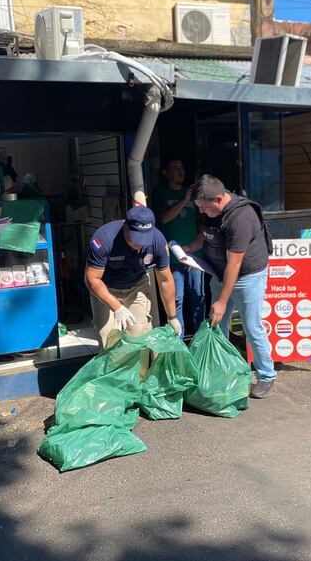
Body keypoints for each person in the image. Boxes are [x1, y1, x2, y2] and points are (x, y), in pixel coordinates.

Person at [185, 174, 276, 399]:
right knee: (217, 326)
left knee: (252, 327)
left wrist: (222, 302)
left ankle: (267, 376)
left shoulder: (240, 218)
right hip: (219, 273)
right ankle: (225, 371)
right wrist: (189, 249)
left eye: (205, 207)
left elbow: (234, 265)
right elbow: (204, 236)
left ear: (218, 199)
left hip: (247, 277)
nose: (202, 212)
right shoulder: (210, 211)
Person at [85, 206, 181, 349]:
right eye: (135, 238)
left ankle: (140, 371)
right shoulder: (104, 238)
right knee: (107, 340)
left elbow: (165, 280)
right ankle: (113, 371)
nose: (139, 244)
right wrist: (117, 307)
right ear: (125, 226)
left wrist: (172, 317)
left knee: (139, 338)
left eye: (144, 239)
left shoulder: (157, 241)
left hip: (137, 286)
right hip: (105, 288)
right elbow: (92, 279)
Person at [152, 160, 205, 337]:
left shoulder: (190, 193)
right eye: (175, 168)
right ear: (166, 173)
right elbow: (165, 219)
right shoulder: (161, 192)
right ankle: (179, 339)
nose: (180, 171)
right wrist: (184, 200)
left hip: (194, 256)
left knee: (198, 296)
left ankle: (200, 338)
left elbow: (201, 222)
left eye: (182, 168)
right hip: (173, 257)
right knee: (177, 299)